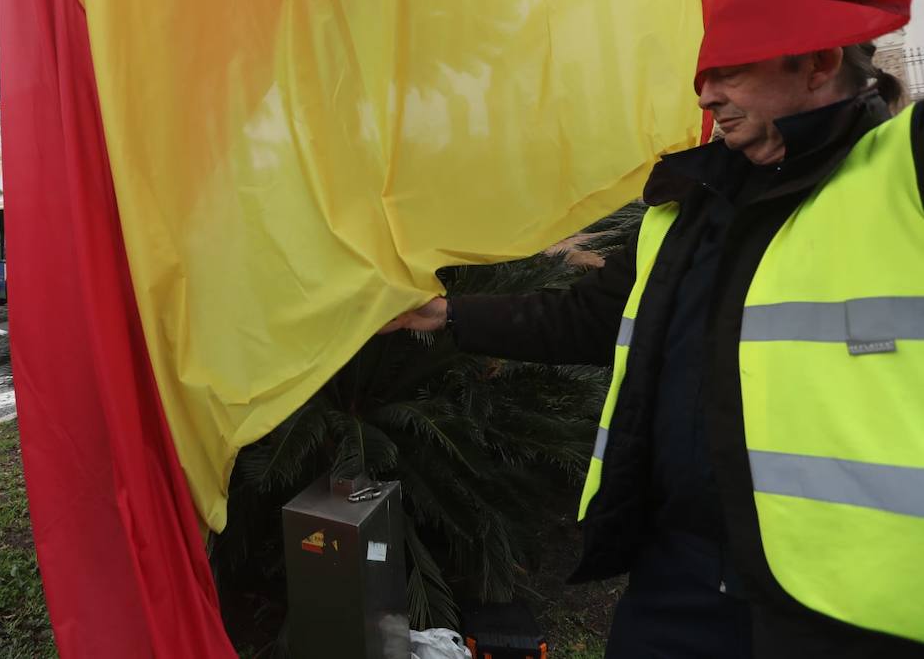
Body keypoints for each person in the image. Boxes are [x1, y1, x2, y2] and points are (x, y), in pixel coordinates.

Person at [384, 45, 923, 656]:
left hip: (851, 602)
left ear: (818, 62)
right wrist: (445, 314)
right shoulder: (695, 200)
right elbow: (588, 317)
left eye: (730, 69)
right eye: (700, 75)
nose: (705, 94)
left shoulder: (902, 169)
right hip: (682, 574)